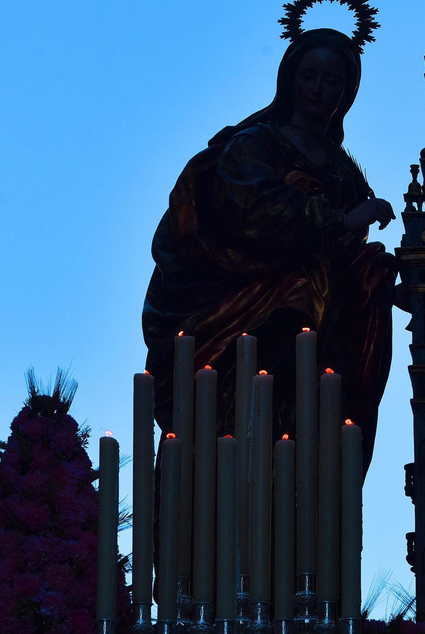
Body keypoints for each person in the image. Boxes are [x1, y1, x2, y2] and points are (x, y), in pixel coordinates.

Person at [142, 26, 397, 467]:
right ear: (290, 79)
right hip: (246, 313)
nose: (318, 90)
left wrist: (383, 280)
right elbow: (252, 211)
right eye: (309, 76)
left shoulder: (344, 170)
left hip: (323, 330)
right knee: (244, 420)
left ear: (347, 91)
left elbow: (348, 258)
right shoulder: (255, 143)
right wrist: (338, 220)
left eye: (332, 81)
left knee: (310, 421)